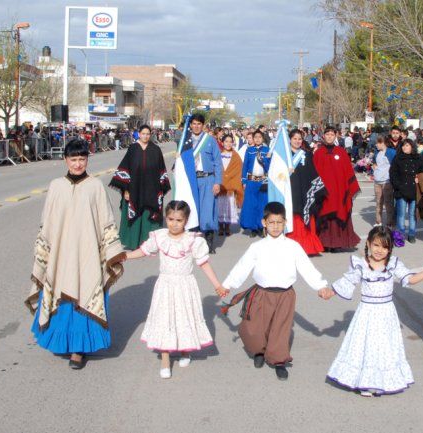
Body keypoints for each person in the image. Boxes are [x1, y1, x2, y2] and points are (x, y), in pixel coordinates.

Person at [26, 139, 126, 370]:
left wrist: (113, 252)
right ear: (66, 160)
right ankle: (61, 341)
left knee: (84, 289)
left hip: (87, 253)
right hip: (60, 254)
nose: (78, 164)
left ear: (87, 160)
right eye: (74, 159)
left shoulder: (95, 186)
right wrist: (44, 250)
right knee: (60, 294)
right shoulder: (56, 186)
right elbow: (48, 222)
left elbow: (105, 221)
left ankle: (78, 349)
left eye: (82, 159)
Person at [218, 202, 330, 381]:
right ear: (264, 223)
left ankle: (279, 361)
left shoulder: (293, 246)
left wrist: (321, 286)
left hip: (285, 295)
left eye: (279, 222)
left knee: (280, 329)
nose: (276, 226)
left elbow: (306, 267)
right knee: (256, 328)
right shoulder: (257, 247)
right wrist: (227, 285)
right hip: (262, 293)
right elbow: (242, 267)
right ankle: (259, 352)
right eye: (271, 222)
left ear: (285, 222)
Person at [321, 226, 423, 397]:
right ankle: (365, 382)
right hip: (366, 313)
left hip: (387, 313)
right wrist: (330, 292)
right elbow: (347, 281)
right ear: (368, 244)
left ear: (390, 248)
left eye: (385, 247)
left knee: (385, 347)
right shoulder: (361, 264)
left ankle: (383, 381)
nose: (380, 250)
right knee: (366, 346)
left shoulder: (393, 264)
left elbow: (410, 279)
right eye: (376, 245)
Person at [125, 201, 223, 379]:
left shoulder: (193, 240)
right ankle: (165, 359)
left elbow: (204, 264)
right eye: (170, 219)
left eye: (179, 220)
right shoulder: (160, 237)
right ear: (166, 218)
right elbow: (144, 251)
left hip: (185, 286)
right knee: (165, 318)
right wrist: (126, 256)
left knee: (184, 317)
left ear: (186, 220)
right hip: (165, 286)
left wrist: (217, 285)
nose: (174, 223)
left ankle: (185, 350)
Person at [110, 125, 171, 250]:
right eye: (143, 133)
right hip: (134, 189)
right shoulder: (133, 149)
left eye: (148, 134)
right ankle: (133, 242)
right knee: (136, 214)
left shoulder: (155, 149)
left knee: (149, 214)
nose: (146, 136)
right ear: (139, 134)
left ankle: (149, 243)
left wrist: (161, 187)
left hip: (152, 190)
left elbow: (161, 169)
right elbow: (125, 168)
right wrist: (126, 190)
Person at [180, 113, 223, 253]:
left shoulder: (210, 140)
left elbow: (217, 163)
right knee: (192, 210)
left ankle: (209, 243)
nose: (196, 126)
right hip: (191, 180)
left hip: (208, 180)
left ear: (203, 125)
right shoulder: (185, 142)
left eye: (199, 124)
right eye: (194, 123)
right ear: (190, 125)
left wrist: (217, 182)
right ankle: (193, 243)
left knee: (207, 211)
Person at [313, 126, 361, 252]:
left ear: (335, 136)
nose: (329, 136)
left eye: (332, 134)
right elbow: (314, 174)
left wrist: (348, 190)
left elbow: (348, 172)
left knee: (338, 216)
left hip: (339, 193)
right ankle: (325, 243)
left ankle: (337, 244)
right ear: (323, 136)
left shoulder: (341, 152)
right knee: (325, 216)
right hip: (324, 193)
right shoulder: (318, 153)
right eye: (327, 134)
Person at [287, 128, 326, 255]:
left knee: (305, 215)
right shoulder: (284, 155)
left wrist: (317, 189)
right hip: (290, 191)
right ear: (290, 139)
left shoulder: (307, 154)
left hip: (305, 191)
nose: (297, 141)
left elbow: (313, 173)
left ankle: (307, 247)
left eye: (299, 139)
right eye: (295, 139)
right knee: (293, 216)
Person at [390, 138, 423, 244]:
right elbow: (393, 174)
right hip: (401, 190)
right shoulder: (397, 158)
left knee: (412, 214)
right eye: (403, 145)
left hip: (414, 190)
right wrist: (397, 186)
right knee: (401, 214)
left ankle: (411, 234)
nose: (404, 147)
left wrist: (418, 178)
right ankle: (400, 235)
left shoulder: (418, 158)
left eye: (407, 145)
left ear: (412, 147)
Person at [240, 130, 270, 237]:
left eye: (259, 137)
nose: (257, 139)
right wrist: (244, 180)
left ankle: (261, 226)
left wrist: (265, 161)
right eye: (255, 137)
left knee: (262, 205)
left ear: (263, 138)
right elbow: (245, 166)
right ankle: (253, 228)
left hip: (263, 181)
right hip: (251, 181)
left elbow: (270, 167)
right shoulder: (249, 150)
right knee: (251, 205)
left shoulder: (267, 150)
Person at [217, 134, 244, 236]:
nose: (228, 144)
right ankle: (220, 226)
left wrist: (233, 181)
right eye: (226, 141)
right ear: (222, 142)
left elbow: (238, 171)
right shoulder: (218, 154)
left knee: (229, 207)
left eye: (230, 141)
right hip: (220, 186)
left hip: (231, 187)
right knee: (220, 207)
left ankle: (227, 227)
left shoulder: (236, 156)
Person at [372, 137, 396, 228]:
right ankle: (378, 221)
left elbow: (395, 164)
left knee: (388, 202)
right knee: (378, 202)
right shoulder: (377, 152)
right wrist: (374, 167)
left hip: (387, 181)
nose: (376, 145)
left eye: (377, 143)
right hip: (377, 181)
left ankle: (389, 222)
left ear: (383, 143)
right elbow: (375, 162)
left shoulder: (391, 152)